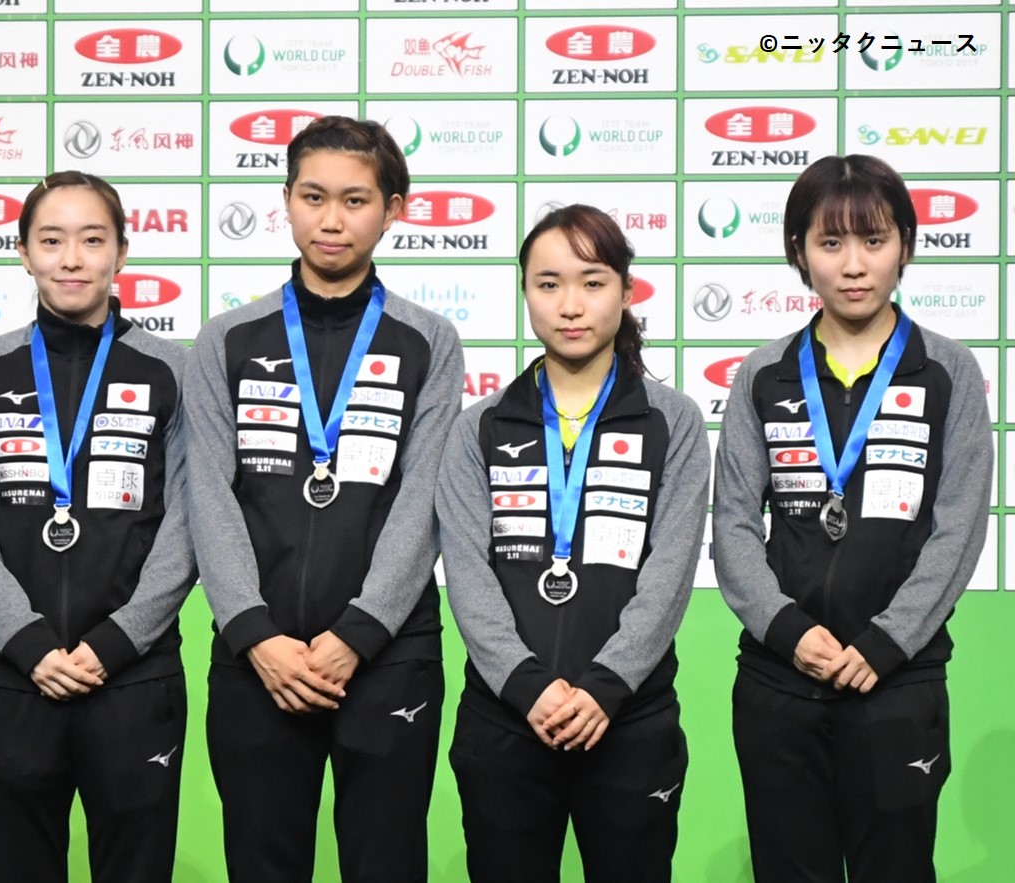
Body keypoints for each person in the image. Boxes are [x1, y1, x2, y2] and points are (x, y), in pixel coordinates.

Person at [183, 115, 464, 882]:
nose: (331, 219)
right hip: (255, 656)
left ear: (394, 210)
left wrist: (359, 633)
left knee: (385, 863)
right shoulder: (226, 340)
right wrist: (255, 633)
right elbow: (209, 494)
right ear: (285, 200)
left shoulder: (429, 341)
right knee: (263, 865)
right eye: (313, 196)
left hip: (387, 657)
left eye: (355, 199)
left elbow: (423, 498)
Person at [713, 154, 992, 882]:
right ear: (798, 252)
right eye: (830, 242)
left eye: (874, 239)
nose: (854, 264)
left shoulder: (949, 371)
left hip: (898, 687)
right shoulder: (764, 375)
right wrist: (789, 631)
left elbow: (958, 527)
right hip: (779, 683)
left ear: (905, 242)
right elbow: (734, 524)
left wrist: (887, 642)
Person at [435, 204, 708, 882]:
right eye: (548, 283)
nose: (570, 304)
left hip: (631, 722)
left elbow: (669, 572)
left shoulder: (673, 422)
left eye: (592, 281)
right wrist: (528, 686)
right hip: (505, 722)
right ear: (525, 291)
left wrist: (608, 685)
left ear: (626, 289)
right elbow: (467, 573)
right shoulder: (479, 428)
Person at [0, 170, 196, 883]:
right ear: (24, 252)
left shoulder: (172, 369)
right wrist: (24, 641)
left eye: (92, 239)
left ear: (122, 251)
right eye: (51, 240)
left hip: (134, 677)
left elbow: (188, 521)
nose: (73, 258)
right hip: (11, 677)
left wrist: (116, 641)